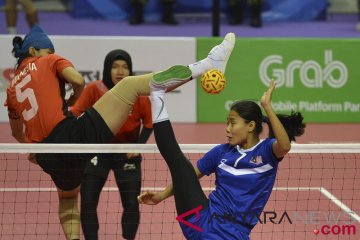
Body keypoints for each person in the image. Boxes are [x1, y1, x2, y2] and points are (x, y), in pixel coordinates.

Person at [5, 24, 236, 240]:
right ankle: (207, 64)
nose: (51, 52)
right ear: (34, 50)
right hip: (70, 135)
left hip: (48, 155)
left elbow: (17, 135)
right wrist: (73, 96)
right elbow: (77, 80)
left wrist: (37, 148)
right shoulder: (50, 61)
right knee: (130, 86)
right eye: (48, 50)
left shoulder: (12, 87)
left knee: (67, 201)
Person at [138, 80, 305, 238]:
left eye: (232, 123)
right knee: (177, 160)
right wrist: (161, 196)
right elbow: (186, 179)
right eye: (227, 123)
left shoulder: (267, 151)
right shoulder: (220, 152)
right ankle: (157, 94)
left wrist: (267, 106)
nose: (227, 129)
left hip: (232, 234)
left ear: (251, 126)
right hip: (199, 221)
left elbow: (284, 146)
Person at [70, 49, 153, 240]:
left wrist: (138, 146)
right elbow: (75, 114)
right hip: (97, 151)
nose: (120, 71)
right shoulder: (94, 89)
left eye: (125, 67)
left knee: (132, 204)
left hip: (127, 152)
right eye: (115, 66)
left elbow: (149, 124)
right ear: (107, 69)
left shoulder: (139, 93)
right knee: (88, 203)